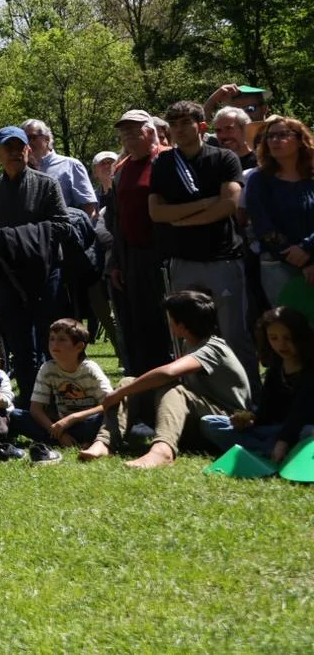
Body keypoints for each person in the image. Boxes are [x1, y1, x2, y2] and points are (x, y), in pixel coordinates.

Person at [149, 101, 256, 390]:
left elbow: (229, 205)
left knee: (235, 334)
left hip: (223, 258)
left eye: (186, 123)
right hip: (182, 260)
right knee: (187, 335)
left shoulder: (224, 159)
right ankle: (193, 398)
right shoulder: (163, 163)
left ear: (202, 126)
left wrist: (182, 218)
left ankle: (250, 398)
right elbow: (157, 212)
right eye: (174, 124)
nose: (180, 130)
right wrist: (204, 204)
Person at [78, 292, 253, 468]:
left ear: (182, 325)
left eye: (170, 318)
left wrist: (119, 394)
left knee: (174, 390)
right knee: (130, 382)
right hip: (197, 418)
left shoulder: (213, 347)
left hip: (224, 424)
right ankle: (105, 442)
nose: (167, 322)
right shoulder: (189, 344)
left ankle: (163, 451)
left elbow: (169, 372)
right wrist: (125, 389)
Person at [0, 127, 71, 407]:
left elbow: (62, 226)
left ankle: (62, 401)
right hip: (8, 277)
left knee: (55, 344)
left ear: (28, 150)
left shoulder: (46, 185)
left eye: (19, 147)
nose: (14, 152)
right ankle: (29, 403)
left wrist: (10, 237)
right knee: (20, 347)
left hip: (47, 274)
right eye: (8, 148)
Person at [103, 110, 171, 377]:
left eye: (135, 130)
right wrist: (117, 262)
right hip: (132, 256)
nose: (129, 136)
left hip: (164, 254)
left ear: (150, 130)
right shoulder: (122, 168)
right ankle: (146, 382)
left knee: (168, 323)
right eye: (125, 132)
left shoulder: (166, 158)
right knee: (140, 326)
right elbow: (116, 218)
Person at [200, 307, 313, 463]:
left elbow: (300, 413)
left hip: (299, 429)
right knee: (210, 422)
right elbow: (265, 413)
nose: (281, 344)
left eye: (288, 338)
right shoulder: (275, 370)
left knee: (309, 432)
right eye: (274, 338)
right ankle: (269, 451)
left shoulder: (310, 370)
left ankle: (270, 450)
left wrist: (283, 440)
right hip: (272, 430)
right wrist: (248, 421)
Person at [16, 318, 113, 461]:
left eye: (62, 340)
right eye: (52, 339)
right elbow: (36, 409)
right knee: (16, 416)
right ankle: (68, 440)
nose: (54, 344)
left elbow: (109, 402)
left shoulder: (90, 369)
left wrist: (73, 418)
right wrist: (59, 432)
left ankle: (86, 440)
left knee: (102, 419)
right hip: (58, 426)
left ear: (79, 347)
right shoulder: (48, 368)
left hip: (86, 422)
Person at [245, 116, 314, 306]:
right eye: (271, 136)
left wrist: (309, 249)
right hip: (278, 266)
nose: (275, 140)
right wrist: (304, 261)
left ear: (300, 140)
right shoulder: (259, 180)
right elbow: (264, 227)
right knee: (288, 328)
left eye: (283, 135)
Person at [22, 119, 99, 216]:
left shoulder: (71, 165)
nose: (28, 143)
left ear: (47, 139)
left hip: (65, 228)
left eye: (32, 137)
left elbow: (89, 207)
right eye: (24, 139)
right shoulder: (21, 170)